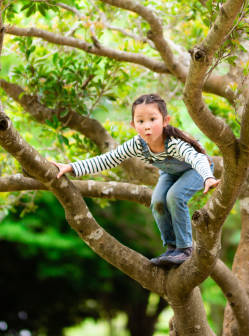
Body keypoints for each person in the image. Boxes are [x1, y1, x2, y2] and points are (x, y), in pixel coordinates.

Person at [53, 93, 220, 266]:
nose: (147, 126)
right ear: (133, 125)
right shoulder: (137, 144)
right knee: (157, 202)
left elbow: (197, 158)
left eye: (152, 119)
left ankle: (185, 249)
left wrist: (208, 177)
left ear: (165, 120)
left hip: (197, 170)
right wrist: (71, 167)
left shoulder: (174, 143)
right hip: (170, 174)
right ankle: (172, 248)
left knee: (174, 196)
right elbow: (107, 159)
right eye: (141, 121)